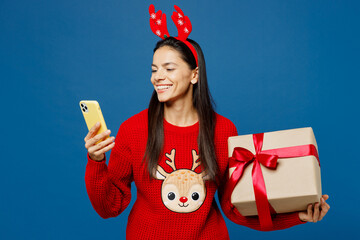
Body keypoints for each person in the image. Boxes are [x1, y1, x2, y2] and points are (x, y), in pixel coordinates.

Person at [83, 5, 330, 240]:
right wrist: (96, 161)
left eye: (168, 69)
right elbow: (110, 206)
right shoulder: (133, 129)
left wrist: (297, 215)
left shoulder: (223, 130)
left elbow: (234, 206)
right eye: (154, 69)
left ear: (194, 74)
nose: (158, 77)